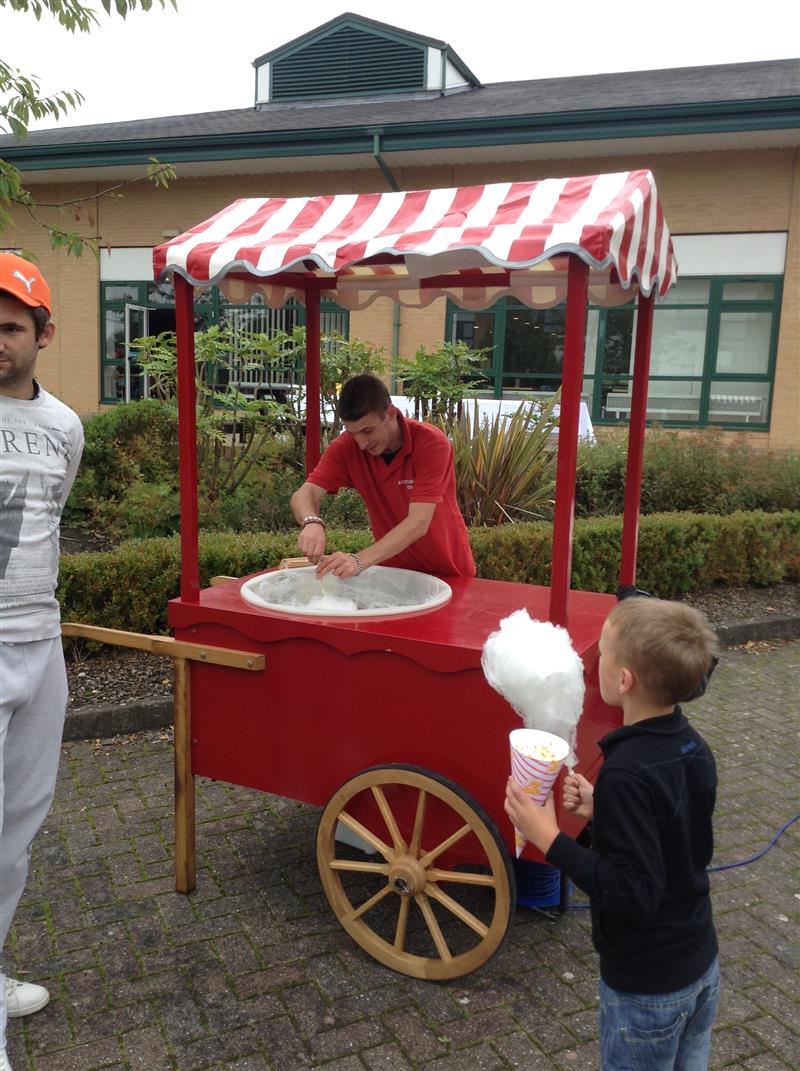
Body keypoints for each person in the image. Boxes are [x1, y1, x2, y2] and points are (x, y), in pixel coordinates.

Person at [505, 597, 721, 1071]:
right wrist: (604, 813)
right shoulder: (692, 747)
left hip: (647, 989)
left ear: (624, 681)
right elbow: (680, 839)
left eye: (601, 651)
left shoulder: (626, 772)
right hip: (700, 963)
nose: (594, 660)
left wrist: (550, 839)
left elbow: (631, 892)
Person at [0, 253, 84, 1071]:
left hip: (42, 644)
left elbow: (51, 519)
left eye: (10, 326)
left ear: (42, 334)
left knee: (15, 837)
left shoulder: (65, 427)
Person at [290, 373, 475, 578]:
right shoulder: (346, 447)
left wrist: (358, 560)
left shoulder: (431, 443)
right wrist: (311, 521)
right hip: (393, 575)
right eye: (353, 433)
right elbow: (303, 494)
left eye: (367, 431)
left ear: (391, 414)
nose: (361, 443)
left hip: (448, 573)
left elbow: (418, 523)